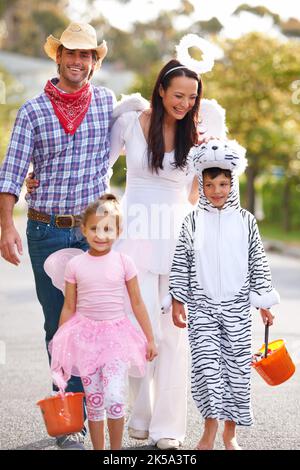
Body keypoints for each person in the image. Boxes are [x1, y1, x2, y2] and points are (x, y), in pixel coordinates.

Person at [0, 22, 115, 449]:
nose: (78, 61)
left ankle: (91, 410)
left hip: (92, 236)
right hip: (45, 231)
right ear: (58, 56)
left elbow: (150, 129)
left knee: (95, 322)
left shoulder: (107, 104)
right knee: (60, 325)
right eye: (71, 53)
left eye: (86, 55)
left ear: (94, 61)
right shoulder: (32, 110)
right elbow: (11, 173)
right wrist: (6, 225)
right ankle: (69, 411)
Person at [108, 58, 226, 449]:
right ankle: (140, 416)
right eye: (178, 95)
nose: (185, 103)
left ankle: (168, 429)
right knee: (140, 332)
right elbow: (100, 170)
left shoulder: (199, 135)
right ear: (161, 89)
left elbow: (198, 194)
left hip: (179, 238)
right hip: (136, 234)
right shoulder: (130, 123)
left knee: (176, 336)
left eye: (192, 98)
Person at [169, 139, 280, 450]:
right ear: (201, 186)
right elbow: (181, 261)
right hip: (202, 307)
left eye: (222, 184)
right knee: (206, 370)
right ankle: (208, 431)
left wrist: (263, 303)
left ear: (232, 184)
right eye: (209, 184)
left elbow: (257, 260)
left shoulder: (246, 221)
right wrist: (178, 299)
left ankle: (230, 434)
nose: (216, 190)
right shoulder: (193, 220)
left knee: (235, 371)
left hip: (236, 307)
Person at [47, 194, 157, 450]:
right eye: (94, 228)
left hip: (116, 338)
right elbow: (69, 306)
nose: (100, 234)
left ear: (118, 231)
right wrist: (62, 344)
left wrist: (149, 338)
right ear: (83, 229)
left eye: (108, 228)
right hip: (85, 340)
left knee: (115, 397)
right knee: (94, 401)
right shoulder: (75, 265)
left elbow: (138, 302)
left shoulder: (123, 262)